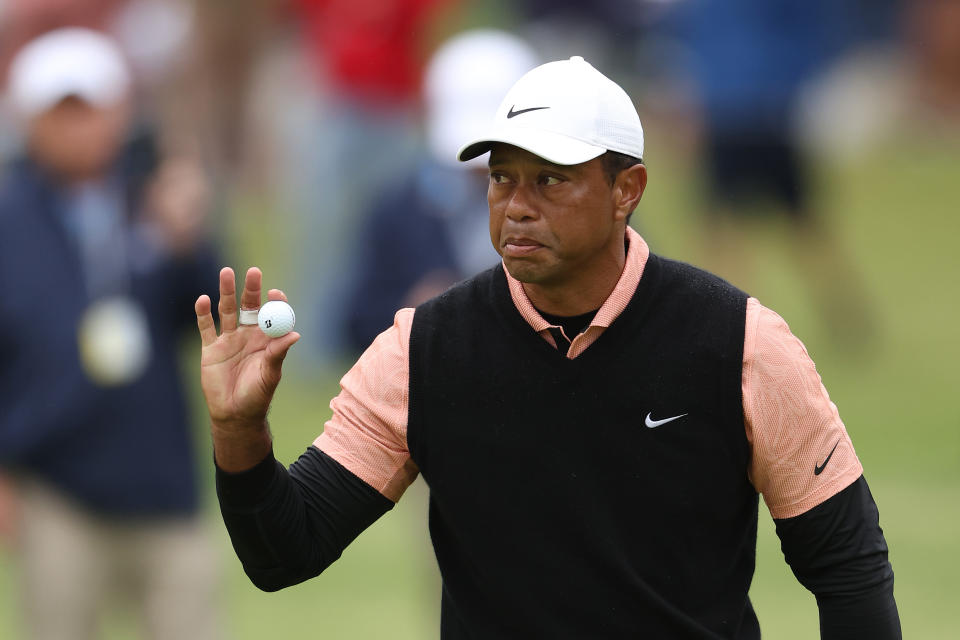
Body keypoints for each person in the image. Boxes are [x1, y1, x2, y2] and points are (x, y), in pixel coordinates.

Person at [195, 56, 901, 638]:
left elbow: (847, 567)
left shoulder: (740, 342)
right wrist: (239, 431)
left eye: (551, 180)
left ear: (628, 189)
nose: (517, 205)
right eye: (502, 178)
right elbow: (285, 552)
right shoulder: (423, 348)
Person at [0, 28, 220, 640]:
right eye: (63, 112)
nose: (82, 128)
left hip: (161, 478)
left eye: (93, 108)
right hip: (55, 482)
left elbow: (219, 321)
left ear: (122, 111)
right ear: (29, 119)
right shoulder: (8, 221)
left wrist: (188, 246)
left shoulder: (161, 198)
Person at [339, 28, 538, 351]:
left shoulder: (577, 202)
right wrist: (407, 312)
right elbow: (355, 321)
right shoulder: (397, 209)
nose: (481, 171)